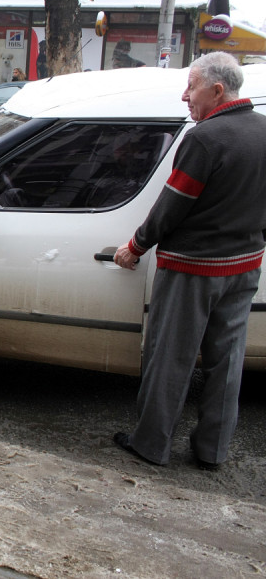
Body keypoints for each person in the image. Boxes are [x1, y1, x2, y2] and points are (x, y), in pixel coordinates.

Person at [112, 52, 266, 469]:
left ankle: (150, 444)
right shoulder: (262, 131)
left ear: (217, 90)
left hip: (193, 270)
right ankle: (212, 451)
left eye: (192, 86)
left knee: (170, 359)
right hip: (245, 266)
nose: (185, 96)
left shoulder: (205, 139)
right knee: (228, 361)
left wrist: (136, 245)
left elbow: (172, 205)